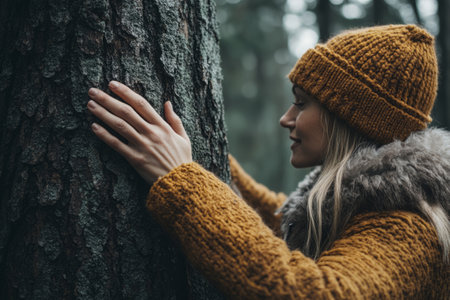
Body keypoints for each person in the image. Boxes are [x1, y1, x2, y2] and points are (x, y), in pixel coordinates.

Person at [87, 25, 449, 299]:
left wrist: (187, 184)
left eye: (303, 103)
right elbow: (286, 218)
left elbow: (316, 292)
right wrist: (211, 166)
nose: (286, 118)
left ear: (349, 118)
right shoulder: (365, 206)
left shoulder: (411, 225)